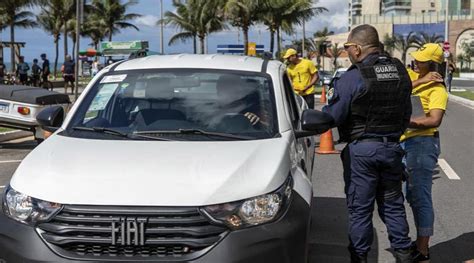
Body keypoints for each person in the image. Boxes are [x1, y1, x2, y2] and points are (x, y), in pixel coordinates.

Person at [322, 24, 413, 263]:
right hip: (393, 149)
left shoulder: (354, 77)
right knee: (393, 205)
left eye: (348, 47)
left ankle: (360, 258)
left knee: (360, 210)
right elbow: (406, 113)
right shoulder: (400, 72)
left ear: (359, 49)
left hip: (362, 152)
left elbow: (334, 116)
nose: (348, 52)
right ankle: (404, 255)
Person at [400, 43, 448, 262]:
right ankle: (419, 241)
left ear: (432, 63)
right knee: (409, 195)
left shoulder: (438, 89)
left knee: (420, 197)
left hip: (421, 143)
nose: (416, 61)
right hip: (403, 143)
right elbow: (398, 89)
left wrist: (406, 121)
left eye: (422, 59)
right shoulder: (412, 76)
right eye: (417, 58)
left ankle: (423, 248)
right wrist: (420, 80)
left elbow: (434, 119)